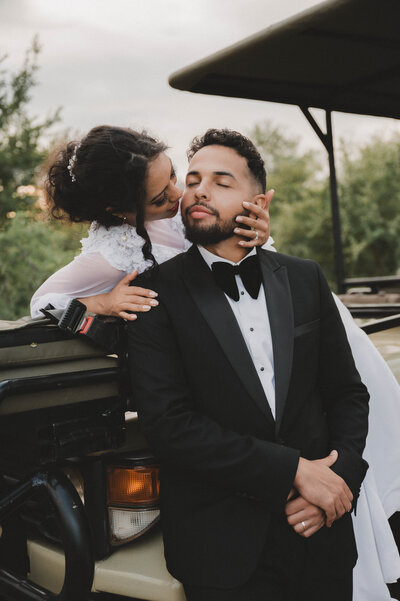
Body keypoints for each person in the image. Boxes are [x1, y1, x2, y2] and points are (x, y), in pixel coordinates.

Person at [31, 126, 400, 601]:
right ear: (122, 209)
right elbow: (48, 301)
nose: (183, 193)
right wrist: (101, 303)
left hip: (324, 480)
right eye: (165, 191)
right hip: (228, 540)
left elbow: (346, 393)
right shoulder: (128, 263)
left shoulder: (301, 277)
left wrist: (341, 474)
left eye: (177, 178)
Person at [127, 128, 370, 601]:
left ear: (258, 200)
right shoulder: (154, 293)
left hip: (322, 539)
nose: (198, 189)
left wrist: (338, 486)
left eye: (221, 181)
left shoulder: (304, 277)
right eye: (193, 178)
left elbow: (346, 393)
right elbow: (170, 425)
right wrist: (295, 471)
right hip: (222, 553)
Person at [30, 125, 272, 319]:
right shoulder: (114, 254)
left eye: (172, 175)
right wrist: (103, 303)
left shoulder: (187, 204)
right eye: (159, 199)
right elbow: (41, 303)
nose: (177, 194)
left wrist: (253, 240)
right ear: (117, 210)